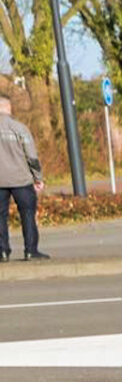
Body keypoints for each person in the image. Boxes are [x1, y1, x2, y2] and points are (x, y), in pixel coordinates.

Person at [0, 97, 50, 261]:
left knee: (0, 216)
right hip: (21, 179)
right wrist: (38, 177)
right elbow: (32, 156)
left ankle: (3, 251)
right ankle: (30, 250)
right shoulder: (20, 128)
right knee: (27, 214)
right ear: (9, 109)